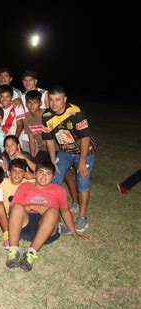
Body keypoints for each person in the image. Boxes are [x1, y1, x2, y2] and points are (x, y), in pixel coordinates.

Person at [6, 161, 88, 272]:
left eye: (48, 173)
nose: (44, 176)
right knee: (17, 207)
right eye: (40, 172)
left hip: (47, 229)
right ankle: (13, 251)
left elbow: (65, 212)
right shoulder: (25, 187)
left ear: (53, 177)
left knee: (54, 212)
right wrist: (31, 206)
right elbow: (12, 211)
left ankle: (30, 254)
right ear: (34, 173)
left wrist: (75, 233)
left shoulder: (59, 190)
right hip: (25, 225)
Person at [42, 85, 95, 232]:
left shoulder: (75, 112)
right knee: (54, 179)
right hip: (64, 152)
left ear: (64, 99)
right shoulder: (47, 116)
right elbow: (49, 140)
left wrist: (82, 162)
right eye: (51, 100)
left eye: (58, 100)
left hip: (85, 152)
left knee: (82, 181)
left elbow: (85, 138)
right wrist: (53, 161)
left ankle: (82, 218)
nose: (54, 103)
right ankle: (53, 213)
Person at [23, 90, 48, 161]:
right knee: (35, 167)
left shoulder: (47, 114)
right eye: (29, 103)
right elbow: (31, 140)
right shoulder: (26, 117)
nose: (32, 105)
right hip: (43, 150)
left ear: (40, 103)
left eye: (35, 102)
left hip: (56, 149)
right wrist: (32, 158)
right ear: (26, 104)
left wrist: (46, 140)